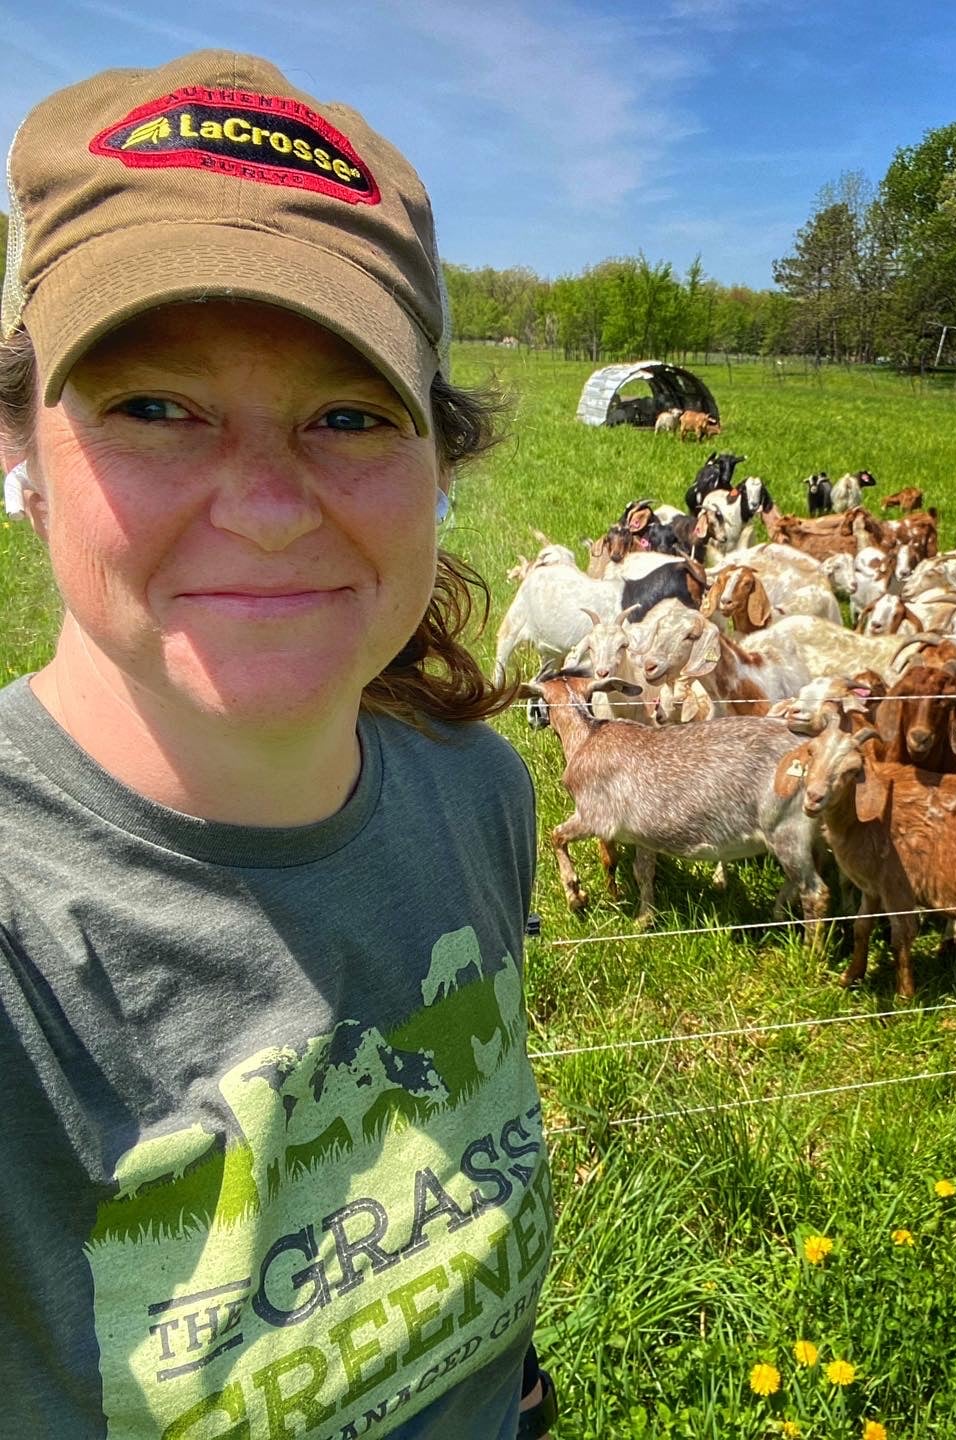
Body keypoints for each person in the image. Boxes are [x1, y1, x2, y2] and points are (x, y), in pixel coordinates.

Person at [0, 51, 556, 1439]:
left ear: (441, 464)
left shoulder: (474, 796)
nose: (260, 505)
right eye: (153, 406)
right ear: (18, 449)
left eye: (350, 415)